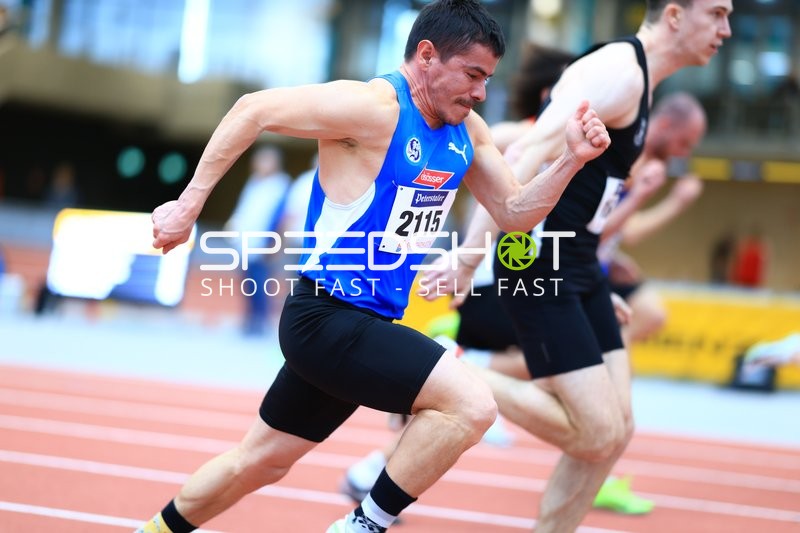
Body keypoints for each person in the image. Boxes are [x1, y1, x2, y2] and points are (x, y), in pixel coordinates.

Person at [136, 1, 611, 532]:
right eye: (472, 74)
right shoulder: (372, 109)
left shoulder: (468, 131)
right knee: (470, 404)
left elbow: (515, 213)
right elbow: (251, 109)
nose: (480, 92)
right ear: (427, 56)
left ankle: (155, 529)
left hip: (366, 324)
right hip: (326, 316)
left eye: (488, 79)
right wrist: (187, 205)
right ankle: (363, 525)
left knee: (259, 461)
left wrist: (571, 159)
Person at [422, 1, 733, 530]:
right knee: (595, 432)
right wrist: (471, 256)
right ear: (676, 15)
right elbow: (525, 154)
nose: (727, 30)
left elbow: (587, 193)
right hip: (542, 260)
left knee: (617, 430)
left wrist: (597, 284)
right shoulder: (617, 70)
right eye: (719, 13)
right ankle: (441, 371)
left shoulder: (643, 83)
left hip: (581, 264)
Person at [599, 91, 707, 346]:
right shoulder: (629, 155)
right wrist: (676, 203)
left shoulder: (647, 164)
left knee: (651, 314)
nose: (682, 154)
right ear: (666, 125)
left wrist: (613, 256)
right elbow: (622, 230)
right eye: (684, 143)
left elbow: (616, 227)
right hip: (575, 263)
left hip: (595, 260)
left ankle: (607, 351)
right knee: (643, 319)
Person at [224, 144, 292, 335]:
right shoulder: (253, 183)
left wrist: (275, 244)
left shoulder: (281, 185)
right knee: (247, 283)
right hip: (245, 242)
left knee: (261, 283)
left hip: (264, 243)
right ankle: (249, 318)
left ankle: (260, 321)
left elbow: (283, 218)